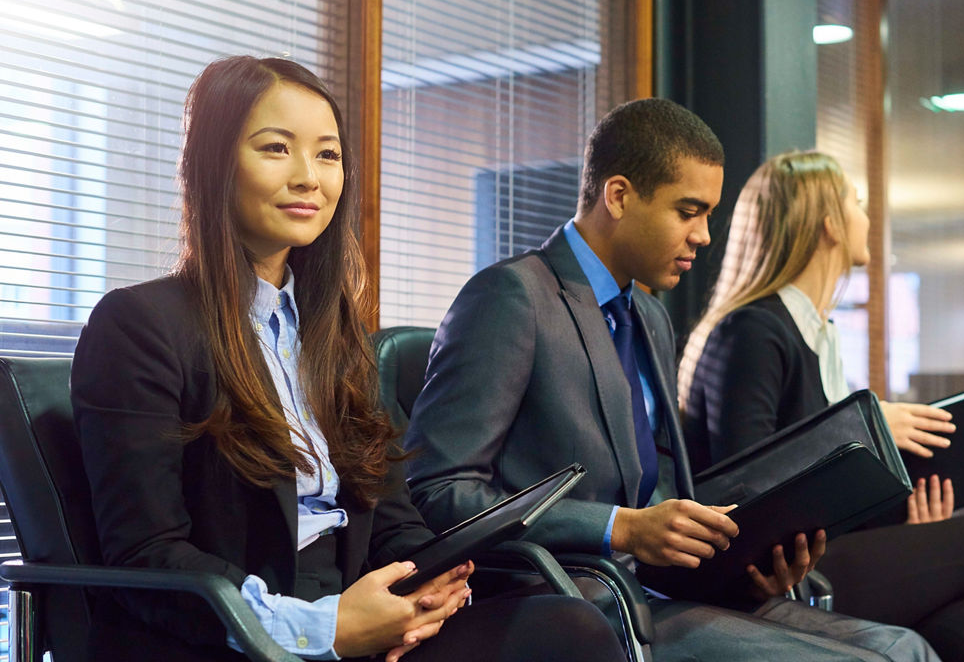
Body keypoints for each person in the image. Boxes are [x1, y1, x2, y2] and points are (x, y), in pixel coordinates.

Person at [70, 56, 627, 662]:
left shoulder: (332, 334)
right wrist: (324, 627)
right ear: (213, 163)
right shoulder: (139, 325)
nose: (310, 178)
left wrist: (428, 589)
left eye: (328, 155)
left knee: (570, 626)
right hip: (245, 636)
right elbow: (147, 554)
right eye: (276, 148)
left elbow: (389, 511)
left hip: (361, 615)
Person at [405, 98, 940, 661]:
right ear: (618, 196)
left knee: (906, 648)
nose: (705, 235)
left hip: (669, 589)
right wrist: (620, 528)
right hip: (575, 600)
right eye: (688, 211)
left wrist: (750, 559)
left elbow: (660, 490)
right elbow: (440, 492)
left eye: (708, 214)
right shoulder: (512, 297)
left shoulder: (651, 317)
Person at [679, 150, 964, 662]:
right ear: (829, 224)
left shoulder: (821, 334)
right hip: (772, 577)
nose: (867, 218)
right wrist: (863, 428)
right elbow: (750, 495)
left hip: (823, 552)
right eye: (857, 203)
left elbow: (825, 489)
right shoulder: (753, 330)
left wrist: (903, 525)